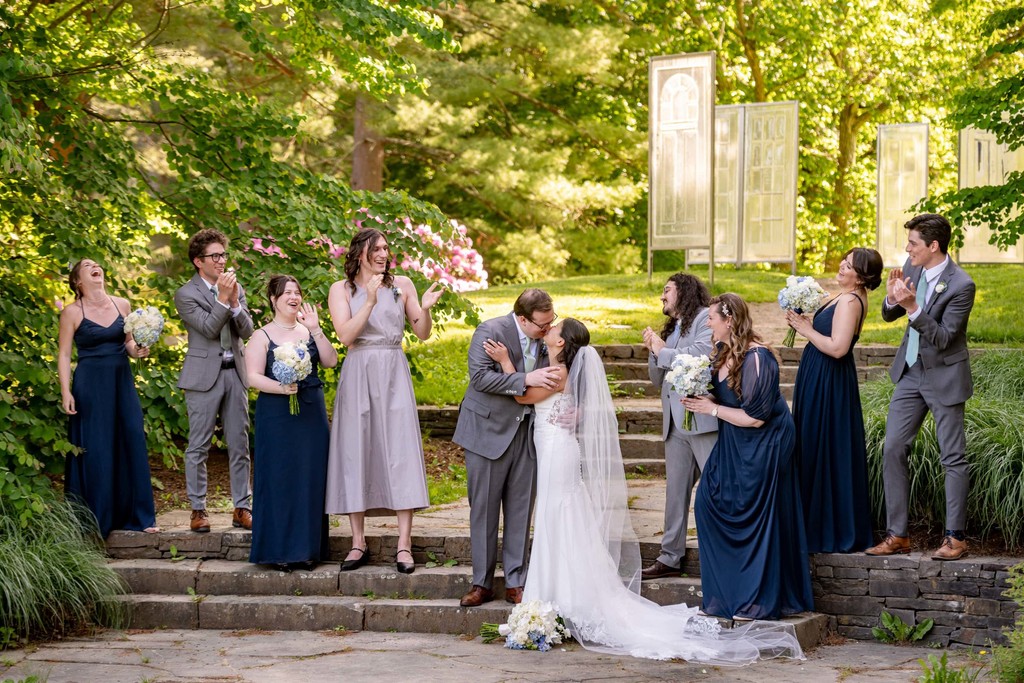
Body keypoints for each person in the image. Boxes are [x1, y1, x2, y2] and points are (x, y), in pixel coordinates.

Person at [484, 318, 803, 665]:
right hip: (548, 447)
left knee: (559, 512)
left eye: (554, 330)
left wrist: (504, 364)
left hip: (557, 451)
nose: (549, 332)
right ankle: (551, 597)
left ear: (562, 344)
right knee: (554, 515)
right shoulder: (554, 367)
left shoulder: (557, 373)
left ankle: (563, 599)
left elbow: (521, 397)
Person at [682, 294, 814, 621]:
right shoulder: (721, 351)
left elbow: (756, 417)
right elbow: (726, 395)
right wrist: (696, 390)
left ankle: (754, 601)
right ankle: (726, 594)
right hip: (735, 437)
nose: (708, 323)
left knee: (756, 512)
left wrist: (710, 408)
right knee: (708, 503)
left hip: (765, 440)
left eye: (711, 318)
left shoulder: (758, 358)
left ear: (729, 320)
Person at [324, 228, 442, 575]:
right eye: (376, 248)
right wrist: (371, 300)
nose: (383, 254)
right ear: (359, 252)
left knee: (399, 449)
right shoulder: (341, 290)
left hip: (392, 369)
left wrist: (426, 310)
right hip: (359, 369)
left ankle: (404, 544)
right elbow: (345, 336)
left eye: (386, 248)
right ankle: (357, 541)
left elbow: (421, 332)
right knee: (355, 449)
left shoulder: (402, 285)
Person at [865, 214, 976, 561]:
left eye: (913, 243)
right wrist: (892, 299)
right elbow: (888, 314)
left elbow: (943, 338)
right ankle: (898, 534)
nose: (907, 249)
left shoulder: (961, 285)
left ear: (933, 246)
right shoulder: (911, 268)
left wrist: (913, 306)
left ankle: (955, 537)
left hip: (944, 376)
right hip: (911, 373)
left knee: (952, 456)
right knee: (893, 448)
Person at [452, 288, 561, 607]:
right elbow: (481, 379)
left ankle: (516, 581)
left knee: (520, 509)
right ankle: (482, 583)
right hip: (486, 433)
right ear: (522, 319)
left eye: (550, 320)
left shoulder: (548, 338)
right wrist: (528, 378)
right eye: (542, 324)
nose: (547, 328)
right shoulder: (490, 331)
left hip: (527, 434)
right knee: (483, 511)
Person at [786, 248, 883, 553]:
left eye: (849, 265)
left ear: (862, 276)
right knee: (816, 444)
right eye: (844, 260)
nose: (842, 266)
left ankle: (826, 528)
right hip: (821, 375)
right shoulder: (845, 295)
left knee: (823, 446)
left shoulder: (852, 301)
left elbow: (839, 348)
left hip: (829, 380)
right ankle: (814, 521)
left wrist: (805, 329)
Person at [57, 258, 158, 538]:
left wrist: (137, 350)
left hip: (121, 382)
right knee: (97, 446)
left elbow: (126, 342)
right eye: (87, 265)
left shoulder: (121, 305)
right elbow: (65, 354)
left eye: (97, 264)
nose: (95, 266)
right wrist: (66, 391)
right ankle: (96, 521)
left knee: (132, 436)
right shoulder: (71, 313)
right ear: (78, 280)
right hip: (90, 384)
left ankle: (139, 516)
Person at [246, 275, 338, 572]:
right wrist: (281, 388)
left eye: (297, 291)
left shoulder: (308, 330)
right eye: (287, 292)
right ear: (273, 299)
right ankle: (278, 550)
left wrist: (317, 329)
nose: (293, 297)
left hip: (311, 411)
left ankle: (308, 549)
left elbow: (330, 361)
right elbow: (252, 377)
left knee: (309, 478)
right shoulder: (262, 335)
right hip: (276, 414)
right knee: (279, 477)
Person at [174, 229, 255, 533]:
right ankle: (198, 510)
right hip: (202, 378)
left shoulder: (236, 287)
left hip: (235, 372)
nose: (222, 261)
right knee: (198, 446)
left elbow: (247, 331)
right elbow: (208, 329)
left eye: (223, 254)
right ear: (198, 261)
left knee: (240, 444)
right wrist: (223, 299)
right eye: (215, 256)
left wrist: (235, 303)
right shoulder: (185, 294)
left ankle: (242, 507)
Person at [641, 273, 717, 578]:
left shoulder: (703, 318)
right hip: (674, 422)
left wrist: (662, 350)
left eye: (666, 290)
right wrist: (653, 350)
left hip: (702, 420)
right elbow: (658, 379)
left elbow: (701, 356)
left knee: (714, 489)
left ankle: (719, 552)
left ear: (683, 291)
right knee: (675, 491)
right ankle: (670, 556)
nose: (662, 296)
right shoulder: (671, 327)